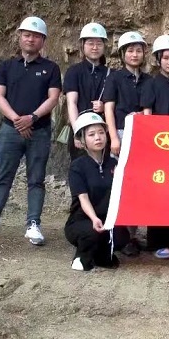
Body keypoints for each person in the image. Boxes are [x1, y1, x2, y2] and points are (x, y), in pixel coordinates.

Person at [0, 16, 61, 245]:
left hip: (39, 131)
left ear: (43, 40)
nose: (30, 39)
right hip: (10, 130)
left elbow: (53, 98)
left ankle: (33, 225)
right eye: (27, 35)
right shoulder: (7, 66)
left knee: (36, 179)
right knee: (2, 178)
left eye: (36, 36)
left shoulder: (51, 68)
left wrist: (32, 118)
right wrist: (18, 120)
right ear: (20, 37)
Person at [102, 31, 150, 256]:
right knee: (119, 185)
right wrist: (113, 137)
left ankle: (132, 235)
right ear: (122, 54)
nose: (134, 54)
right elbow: (109, 108)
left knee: (137, 186)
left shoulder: (148, 80)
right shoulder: (115, 78)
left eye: (138, 50)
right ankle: (117, 234)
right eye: (130, 50)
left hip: (143, 137)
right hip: (121, 134)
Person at [65, 112, 130, 271]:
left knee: (122, 236)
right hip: (82, 220)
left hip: (107, 219)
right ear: (82, 140)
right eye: (91, 134)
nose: (98, 138)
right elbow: (83, 197)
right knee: (92, 233)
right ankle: (82, 256)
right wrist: (94, 218)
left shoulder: (113, 164)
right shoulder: (77, 166)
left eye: (101, 132)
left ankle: (101, 254)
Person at [141, 34, 169, 259]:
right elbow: (147, 114)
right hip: (157, 144)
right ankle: (155, 242)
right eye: (166, 58)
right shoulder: (151, 84)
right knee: (157, 192)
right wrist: (151, 142)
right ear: (158, 59)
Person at [63, 22, 112, 160]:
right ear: (82, 45)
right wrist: (77, 132)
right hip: (82, 129)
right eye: (90, 43)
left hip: (103, 131)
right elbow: (71, 103)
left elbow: (114, 104)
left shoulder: (111, 74)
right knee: (81, 166)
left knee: (105, 167)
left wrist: (103, 107)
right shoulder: (74, 72)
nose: (95, 47)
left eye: (99, 43)